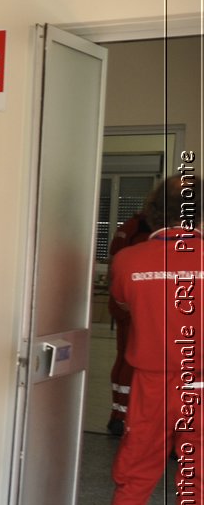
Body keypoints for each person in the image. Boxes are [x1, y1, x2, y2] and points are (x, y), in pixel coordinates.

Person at [88, 173, 204, 505]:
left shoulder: (128, 260)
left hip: (152, 383)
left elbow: (126, 304)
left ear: (153, 212)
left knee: (135, 476)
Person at [105, 185, 161, 437]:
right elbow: (118, 265)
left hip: (143, 307)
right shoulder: (135, 228)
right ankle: (120, 416)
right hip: (133, 309)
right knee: (128, 362)